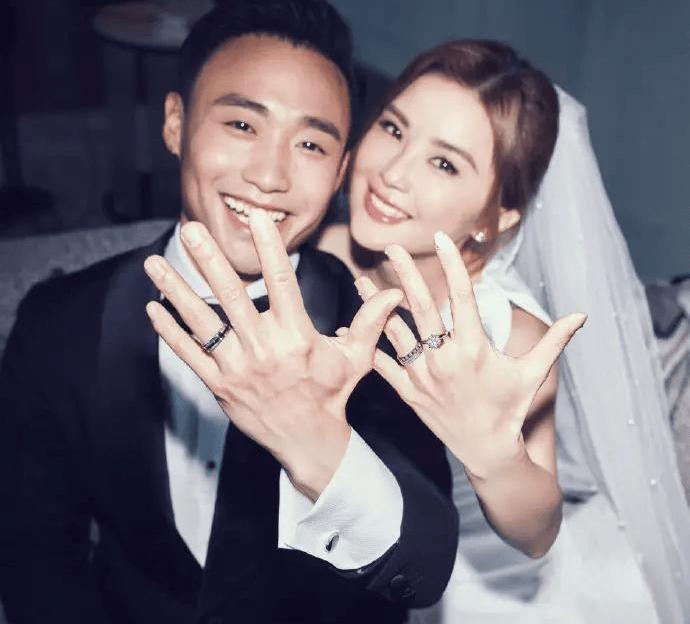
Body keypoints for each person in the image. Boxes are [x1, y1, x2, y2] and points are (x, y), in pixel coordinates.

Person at [0, 3, 462, 622]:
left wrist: (315, 440)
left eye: (310, 143)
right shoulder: (60, 322)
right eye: (242, 125)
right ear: (175, 123)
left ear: (340, 171)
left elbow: (423, 572)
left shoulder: (375, 327)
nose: (269, 175)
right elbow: (37, 564)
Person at [318, 40, 690, 623]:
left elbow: (537, 533)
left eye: (444, 164)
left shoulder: (512, 335)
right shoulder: (316, 249)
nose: (391, 173)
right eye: (393, 129)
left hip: (480, 577)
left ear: (500, 214)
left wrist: (490, 454)